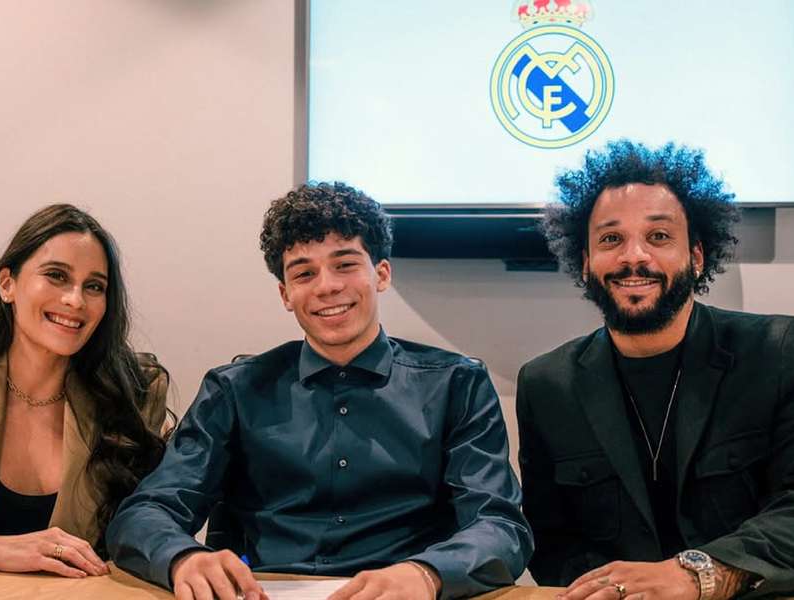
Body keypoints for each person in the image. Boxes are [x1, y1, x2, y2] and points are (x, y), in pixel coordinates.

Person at [107, 182, 532, 600]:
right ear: (285, 294)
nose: (327, 286)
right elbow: (144, 513)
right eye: (304, 273)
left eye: (345, 264)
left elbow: (500, 526)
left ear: (381, 273)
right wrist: (182, 557)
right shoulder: (232, 390)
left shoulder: (457, 385)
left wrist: (428, 574)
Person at [517, 140, 794, 599]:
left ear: (698, 256)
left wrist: (698, 575)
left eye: (659, 236)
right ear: (586, 264)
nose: (634, 256)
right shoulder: (545, 383)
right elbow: (550, 538)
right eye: (610, 239)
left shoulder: (777, 352)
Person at [0, 204, 171, 578]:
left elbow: (152, 521)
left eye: (94, 286)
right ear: (7, 284)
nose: (75, 300)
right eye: (56, 276)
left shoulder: (135, 393)